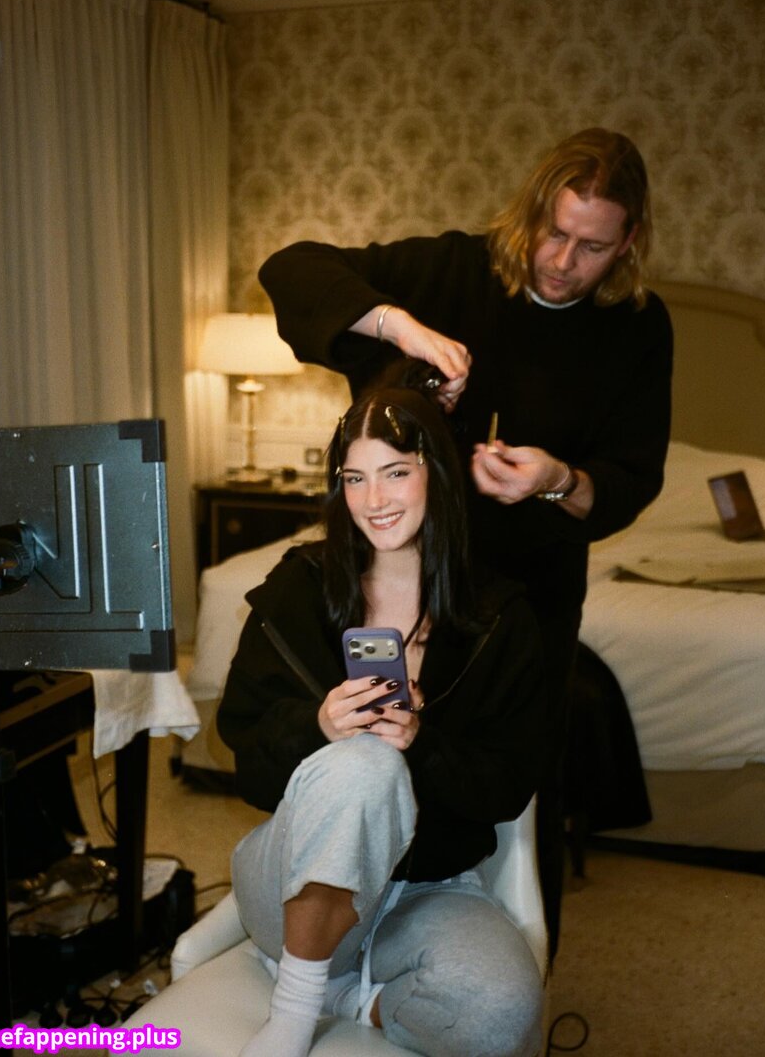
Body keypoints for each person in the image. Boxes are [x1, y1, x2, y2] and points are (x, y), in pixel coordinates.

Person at [258, 127, 674, 955]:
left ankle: (505, 956)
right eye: (554, 233)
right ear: (531, 213)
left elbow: (631, 479)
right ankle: (338, 943)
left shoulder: (635, 327)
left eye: (593, 247)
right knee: (368, 756)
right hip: (398, 579)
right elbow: (290, 268)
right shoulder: (452, 270)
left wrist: (556, 479)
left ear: (628, 241)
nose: (563, 262)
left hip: (530, 594)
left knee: (509, 788)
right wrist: (400, 328)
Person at [217, 382, 546, 1057]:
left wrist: (422, 744)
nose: (374, 500)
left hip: (425, 889)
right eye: (355, 478)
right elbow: (246, 761)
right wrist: (317, 728)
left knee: (502, 1013)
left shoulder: (498, 617)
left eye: (395, 473)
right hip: (290, 883)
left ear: (437, 475)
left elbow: (506, 787)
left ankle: (346, 998)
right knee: (364, 761)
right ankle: (294, 1011)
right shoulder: (299, 588)